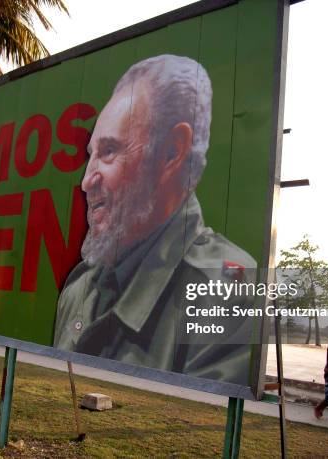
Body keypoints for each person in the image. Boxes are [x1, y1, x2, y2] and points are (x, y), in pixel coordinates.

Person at [53, 54, 257, 382]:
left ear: (171, 153)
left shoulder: (224, 292)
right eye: (91, 155)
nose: (86, 180)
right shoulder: (79, 288)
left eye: (108, 152)